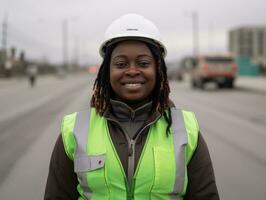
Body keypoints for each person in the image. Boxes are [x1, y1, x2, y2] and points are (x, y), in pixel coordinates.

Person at [44, 13, 219, 200]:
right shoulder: (74, 130)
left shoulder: (186, 130)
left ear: (158, 69)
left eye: (143, 63)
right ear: (107, 71)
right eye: (121, 64)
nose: (133, 71)